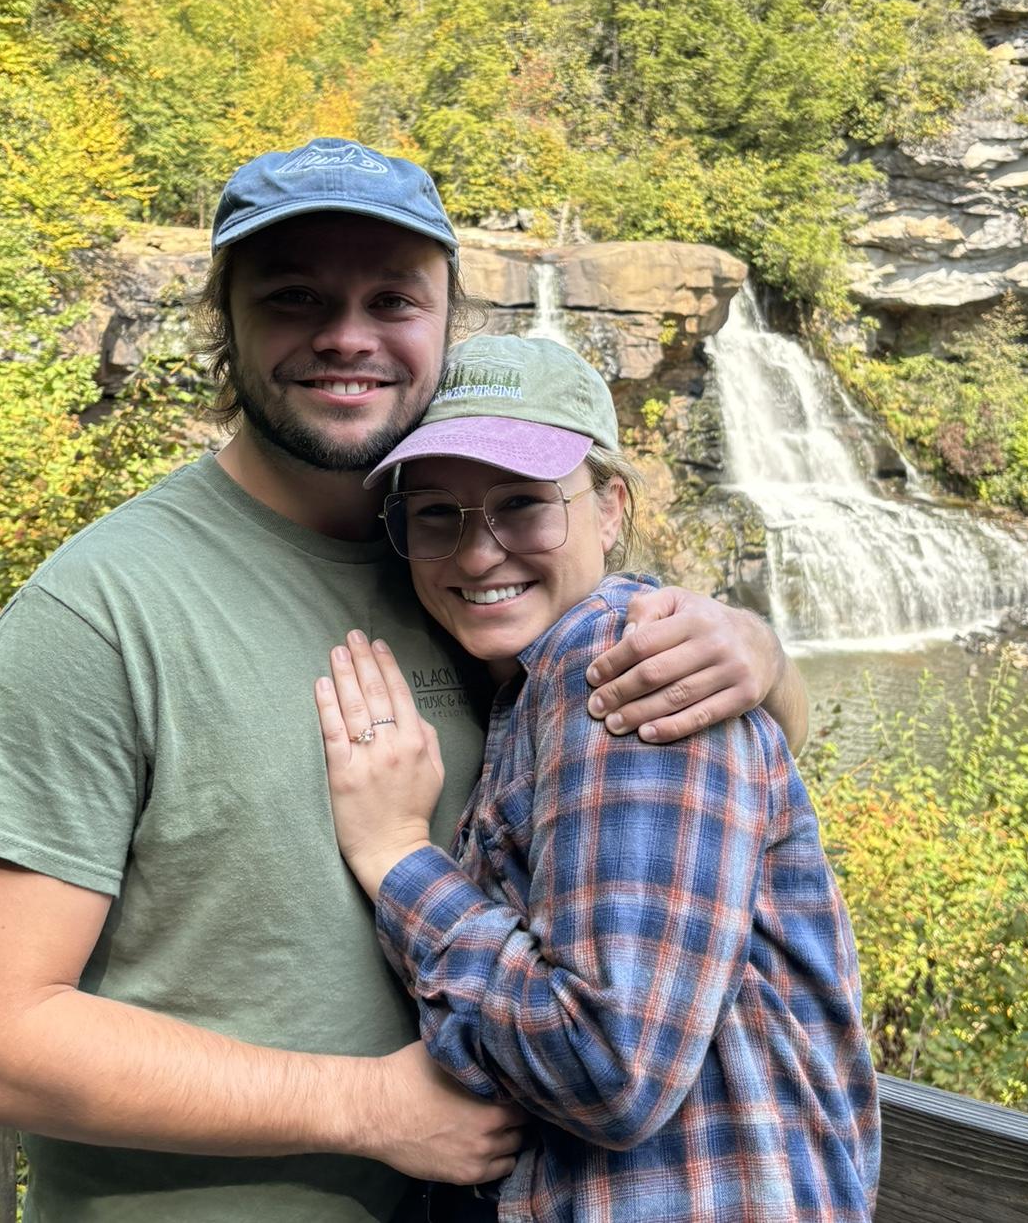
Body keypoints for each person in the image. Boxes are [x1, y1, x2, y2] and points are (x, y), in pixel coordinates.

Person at [0, 138, 812, 1222]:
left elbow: (698, 797)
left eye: (392, 298)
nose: (348, 336)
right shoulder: (103, 610)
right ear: (224, 323)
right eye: (295, 297)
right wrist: (365, 1109)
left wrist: (762, 659)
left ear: (443, 324)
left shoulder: (467, 576)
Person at [316, 334, 880, 1222]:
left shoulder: (616, 663)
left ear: (611, 508)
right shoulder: (523, 680)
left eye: (523, 505)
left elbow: (611, 1067)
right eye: (436, 514)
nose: (476, 555)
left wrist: (396, 858)